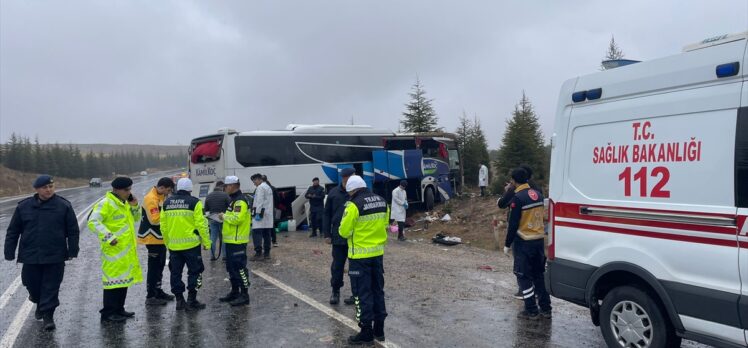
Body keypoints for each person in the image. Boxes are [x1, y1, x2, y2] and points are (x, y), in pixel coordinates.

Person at [4, 175, 79, 331]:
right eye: (45, 187)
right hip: (30, 254)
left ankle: (48, 317)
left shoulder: (63, 206)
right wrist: (9, 251)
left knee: (51, 287)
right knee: (31, 283)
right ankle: (38, 301)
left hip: (55, 254)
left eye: (51, 187)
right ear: (37, 189)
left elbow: (73, 231)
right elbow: (13, 231)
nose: (49, 190)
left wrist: (73, 250)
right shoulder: (23, 207)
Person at [339, 175, 389, 344]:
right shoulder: (382, 201)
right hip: (377, 254)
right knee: (378, 291)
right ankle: (379, 330)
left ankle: (366, 332)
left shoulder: (353, 205)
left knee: (361, 294)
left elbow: (344, 231)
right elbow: (385, 225)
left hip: (359, 257)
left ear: (352, 190)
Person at [87, 176, 143, 323]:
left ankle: (119, 309)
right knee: (113, 282)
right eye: (126, 190)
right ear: (116, 189)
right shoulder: (106, 203)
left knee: (122, 281)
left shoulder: (124, 203)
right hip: (113, 251)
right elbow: (93, 221)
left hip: (126, 251)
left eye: (130, 189)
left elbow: (136, 219)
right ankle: (108, 314)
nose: (129, 192)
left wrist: (135, 205)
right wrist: (109, 237)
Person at [505, 168, 551, 320]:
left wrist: (507, 244)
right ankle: (546, 309)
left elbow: (513, 224)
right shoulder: (537, 194)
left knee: (523, 277)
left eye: (512, 181)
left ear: (514, 181)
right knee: (538, 276)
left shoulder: (518, 198)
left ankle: (531, 310)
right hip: (538, 241)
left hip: (523, 242)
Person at [160, 178, 211, 311]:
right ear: (190, 189)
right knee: (196, 272)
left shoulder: (166, 203)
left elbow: (163, 227)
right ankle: (192, 299)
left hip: (174, 247)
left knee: (175, 273)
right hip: (192, 246)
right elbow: (202, 225)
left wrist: (168, 243)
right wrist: (207, 242)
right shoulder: (195, 202)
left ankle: (179, 300)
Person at [497, 165, 540, 300]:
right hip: (537, 233)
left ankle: (524, 291)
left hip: (521, 233)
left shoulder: (516, 191)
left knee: (521, 264)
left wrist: (507, 244)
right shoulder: (537, 189)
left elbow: (502, 204)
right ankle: (537, 293)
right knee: (536, 267)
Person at [137, 177, 176, 306]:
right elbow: (155, 220)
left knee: (160, 266)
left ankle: (158, 291)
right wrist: (171, 218)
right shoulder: (151, 199)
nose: (168, 193)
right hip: (152, 238)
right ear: (162, 187)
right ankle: (151, 295)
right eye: (168, 190)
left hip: (160, 238)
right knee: (153, 268)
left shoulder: (160, 196)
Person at [322, 167, 356, 306]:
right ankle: (335, 291)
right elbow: (327, 214)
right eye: (347, 177)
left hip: (355, 238)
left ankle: (356, 293)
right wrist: (327, 234)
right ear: (343, 178)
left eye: (352, 176)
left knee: (355, 267)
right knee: (337, 266)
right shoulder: (334, 193)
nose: (349, 179)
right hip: (338, 237)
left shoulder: (357, 193)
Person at [218, 175, 251, 306]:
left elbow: (238, 219)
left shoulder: (240, 201)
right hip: (231, 240)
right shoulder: (233, 200)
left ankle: (244, 294)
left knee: (240, 268)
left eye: (225, 186)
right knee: (231, 268)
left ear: (232, 186)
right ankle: (235, 292)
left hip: (238, 241)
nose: (224, 188)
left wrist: (224, 216)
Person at [204, 180, 231, 261]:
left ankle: (212, 256)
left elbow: (206, 209)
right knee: (223, 237)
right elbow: (230, 207)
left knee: (213, 237)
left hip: (212, 218)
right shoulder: (225, 195)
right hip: (223, 218)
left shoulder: (209, 196)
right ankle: (224, 256)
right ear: (222, 187)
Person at [251, 173, 274, 260]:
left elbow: (259, 201)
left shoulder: (260, 187)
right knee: (267, 234)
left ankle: (258, 253)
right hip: (267, 214)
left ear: (258, 179)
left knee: (256, 233)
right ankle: (267, 253)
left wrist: (257, 213)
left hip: (260, 215)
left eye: (254, 181)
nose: (254, 183)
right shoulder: (268, 187)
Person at [262, 175, 279, 247]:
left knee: (263, 226)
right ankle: (274, 241)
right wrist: (274, 206)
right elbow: (278, 199)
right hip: (272, 209)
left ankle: (266, 242)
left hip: (263, 210)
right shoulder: (273, 188)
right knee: (272, 225)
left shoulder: (260, 188)